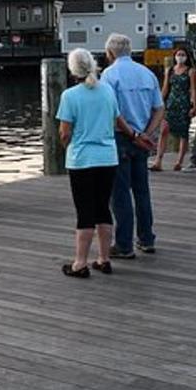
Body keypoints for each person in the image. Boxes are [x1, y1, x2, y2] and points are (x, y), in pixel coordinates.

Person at [56, 49, 123, 277]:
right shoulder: (107, 91)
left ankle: (80, 263)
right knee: (103, 208)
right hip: (108, 157)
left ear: (73, 69)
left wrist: (68, 147)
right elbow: (115, 119)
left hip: (82, 159)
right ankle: (104, 259)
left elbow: (65, 133)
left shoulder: (69, 96)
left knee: (84, 211)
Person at [101, 33, 164, 258]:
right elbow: (159, 108)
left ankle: (124, 244)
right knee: (142, 191)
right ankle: (147, 238)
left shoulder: (109, 75)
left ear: (110, 53)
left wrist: (133, 133)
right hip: (143, 140)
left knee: (120, 194)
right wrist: (147, 133)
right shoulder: (148, 73)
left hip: (120, 137)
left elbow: (112, 112)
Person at [151, 46, 196, 172]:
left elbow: (193, 89)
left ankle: (179, 161)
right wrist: (158, 102)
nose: (180, 57)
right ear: (174, 56)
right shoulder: (169, 70)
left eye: (183, 54)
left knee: (183, 133)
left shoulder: (191, 71)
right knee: (164, 130)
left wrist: (194, 105)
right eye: (178, 54)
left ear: (187, 57)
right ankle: (158, 161)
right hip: (171, 103)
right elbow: (165, 87)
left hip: (184, 104)